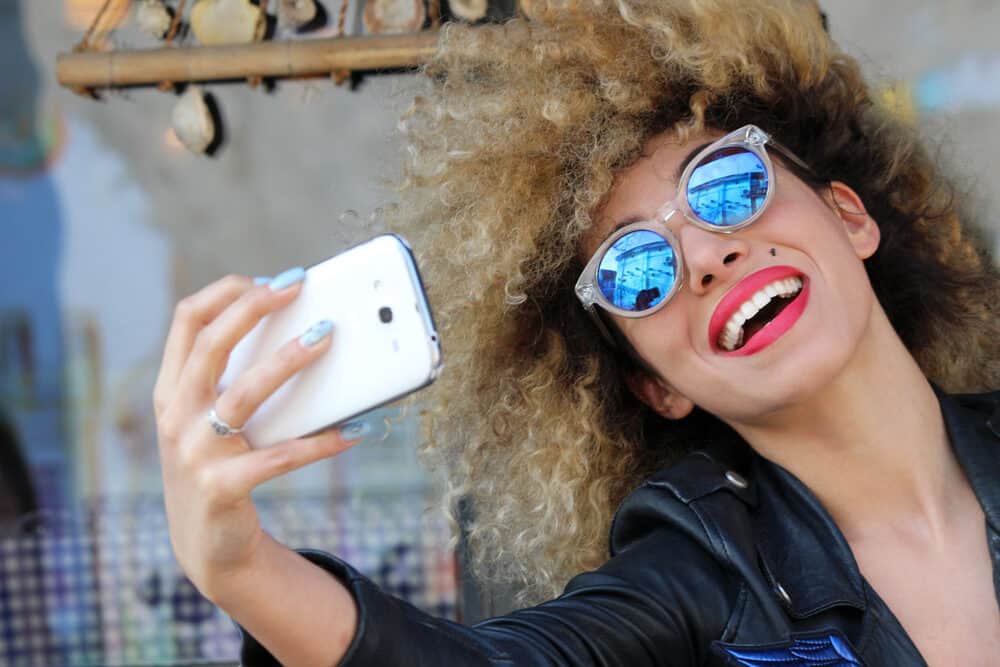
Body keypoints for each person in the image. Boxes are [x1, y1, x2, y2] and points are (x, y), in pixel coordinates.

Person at [152, 1, 1000, 665]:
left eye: (728, 182)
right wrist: (243, 570)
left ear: (849, 216)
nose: (703, 254)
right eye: (636, 268)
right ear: (654, 385)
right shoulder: (697, 570)